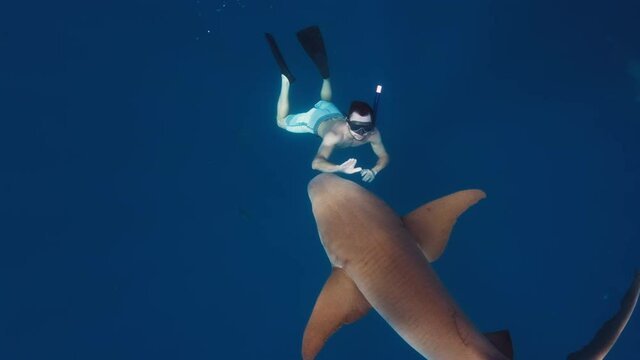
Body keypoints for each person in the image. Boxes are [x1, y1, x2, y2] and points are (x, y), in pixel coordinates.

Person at [265, 26, 389, 183]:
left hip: (332, 110)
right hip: (315, 119)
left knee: (326, 102)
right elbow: (316, 163)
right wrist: (339, 168)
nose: (362, 132)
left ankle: (325, 75)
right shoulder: (335, 136)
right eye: (357, 126)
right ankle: (286, 80)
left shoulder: (373, 133)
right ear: (347, 121)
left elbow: (384, 156)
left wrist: (374, 170)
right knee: (281, 122)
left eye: (367, 127)